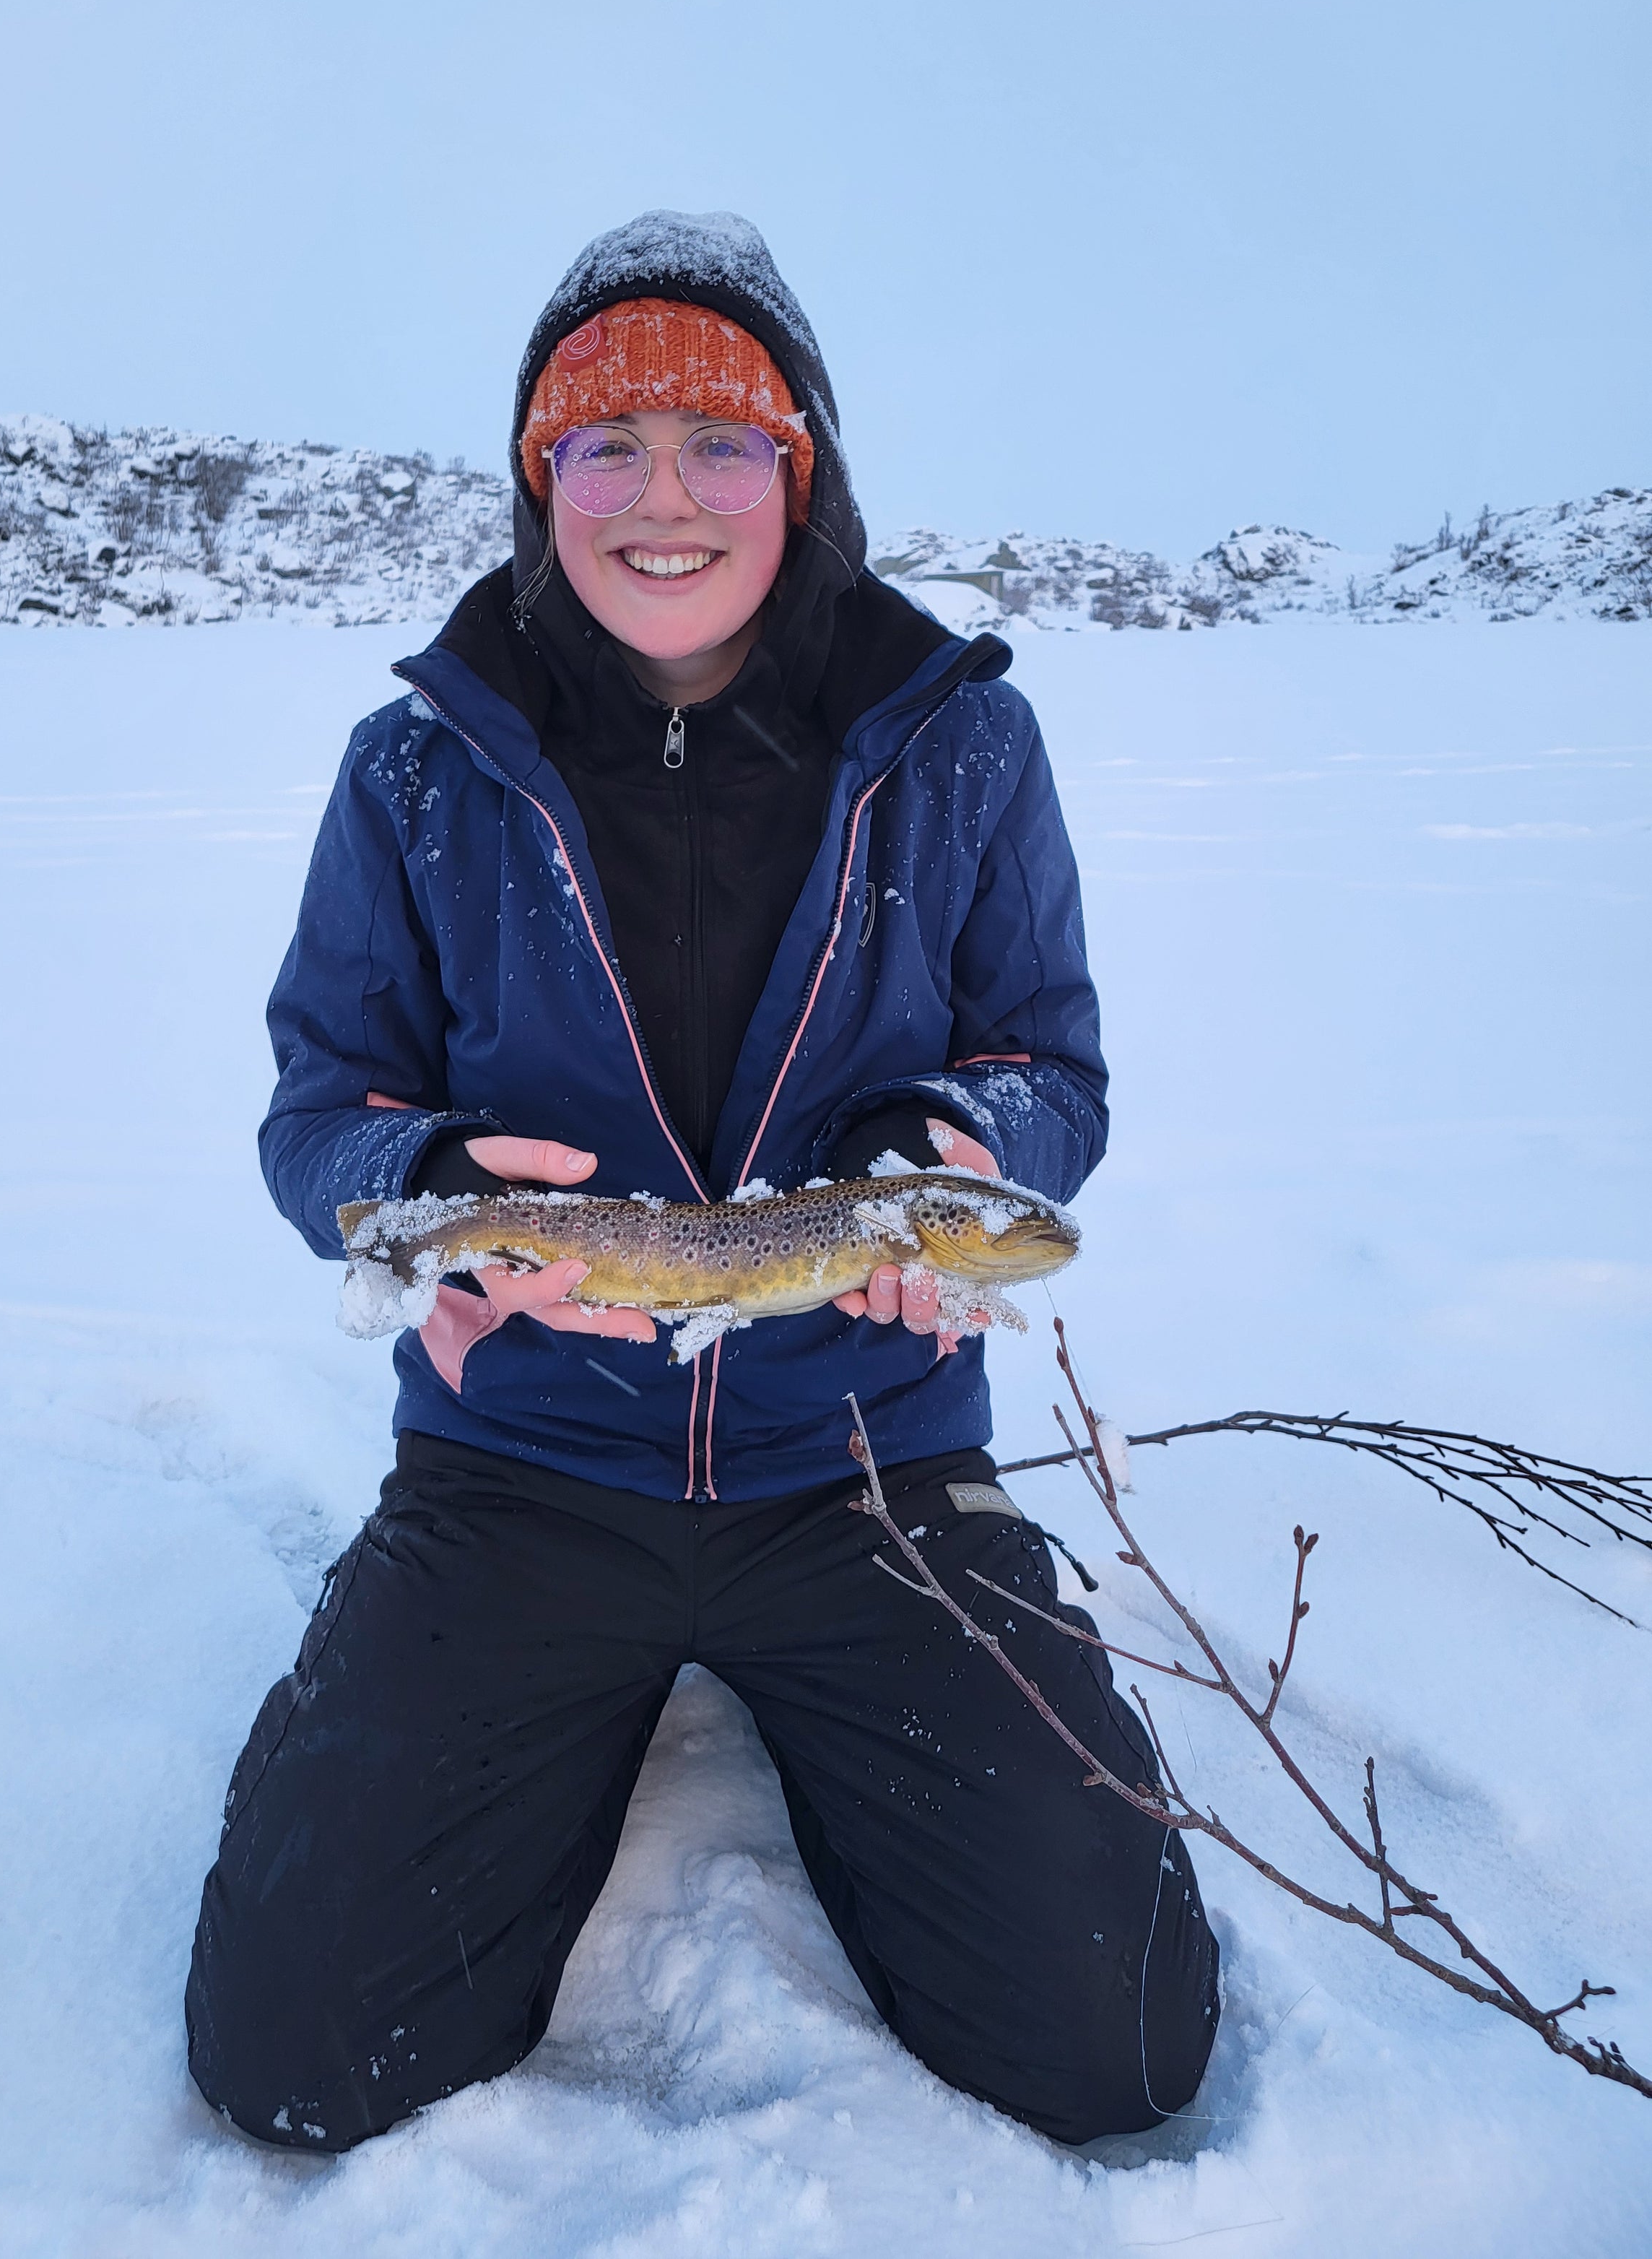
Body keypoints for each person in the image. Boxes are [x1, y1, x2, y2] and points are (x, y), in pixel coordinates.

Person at [185, 211, 1219, 2151]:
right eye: (606, 445)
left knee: (1118, 2051)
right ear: (540, 481)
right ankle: (390, 1699)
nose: (665, 497)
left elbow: (1042, 1063)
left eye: (721, 442)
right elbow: (322, 1099)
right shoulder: (411, 774)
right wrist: (417, 1185)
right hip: (519, 1467)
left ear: (798, 474)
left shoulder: (963, 747)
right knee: (302, 2064)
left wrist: (957, 1153)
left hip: (871, 1472)